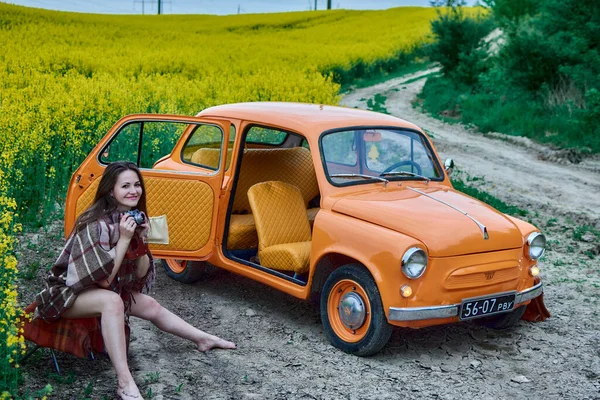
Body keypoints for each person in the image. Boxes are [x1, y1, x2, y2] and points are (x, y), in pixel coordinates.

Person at [34, 161, 235, 400]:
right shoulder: (95, 224)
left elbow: (140, 275)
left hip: (96, 292)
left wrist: (141, 240)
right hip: (66, 295)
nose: (134, 191)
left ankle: (203, 338)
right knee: (112, 301)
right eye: (125, 186)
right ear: (111, 190)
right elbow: (105, 282)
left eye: (137, 185)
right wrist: (123, 240)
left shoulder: (130, 219)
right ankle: (124, 381)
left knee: (150, 304)